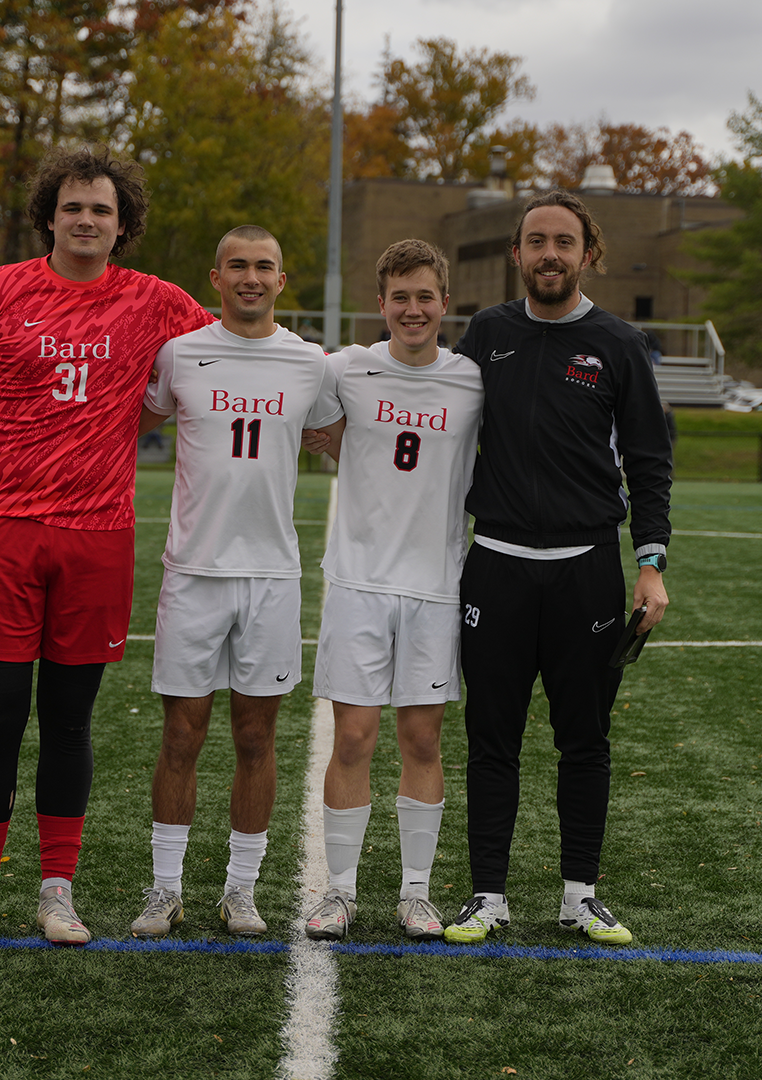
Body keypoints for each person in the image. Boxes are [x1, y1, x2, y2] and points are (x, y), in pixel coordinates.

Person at [0, 145, 213, 949]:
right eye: (74, 206)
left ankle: (58, 892)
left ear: (124, 227)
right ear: (50, 214)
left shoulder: (154, 302)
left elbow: (231, 354)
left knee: (69, 719)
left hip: (95, 537)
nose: (87, 220)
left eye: (102, 210)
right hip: (1, 531)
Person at [442, 190, 671, 948]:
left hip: (586, 572)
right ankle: (488, 896)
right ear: (516, 254)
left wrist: (651, 564)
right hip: (498, 566)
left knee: (585, 738)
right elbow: (441, 425)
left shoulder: (620, 342)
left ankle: (580, 894)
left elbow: (649, 460)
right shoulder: (487, 333)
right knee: (491, 736)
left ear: (587, 254)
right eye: (536, 241)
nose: (549, 254)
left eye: (563, 242)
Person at [128, 225, 342, 940]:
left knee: (256, 735)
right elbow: (128, 421)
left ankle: (240, 890)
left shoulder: (311, 365)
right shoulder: (180, 354)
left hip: (273, 576)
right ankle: (164, 889)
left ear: (283, 281)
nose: (252, 277)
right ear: (215, 277)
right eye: (238, 266)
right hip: (193, 573)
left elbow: (344, 439)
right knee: (182, 734)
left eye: (266, 267)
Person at [296, 239, 482, 943]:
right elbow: (315, 430)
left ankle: (415, 893)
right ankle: (338, 891)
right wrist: (346, 444)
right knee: (354, 735)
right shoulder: (346, 368)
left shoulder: (470, 379)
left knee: (422, 737)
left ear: (444, 303)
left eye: (425, 296)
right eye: (399, 297)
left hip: (436, 584)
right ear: (381, 305)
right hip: (359, 582)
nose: (412, 309)